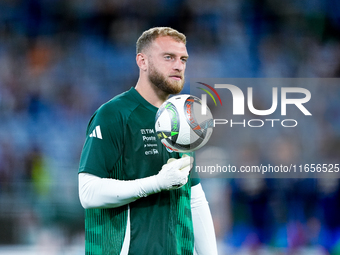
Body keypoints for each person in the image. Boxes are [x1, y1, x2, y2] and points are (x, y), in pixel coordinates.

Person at [78, 27, 218, 255]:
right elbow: (88, 193)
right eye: (168, 57)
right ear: (142, 61)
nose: (178, 65)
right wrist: (156, 182)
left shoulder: (183, 118)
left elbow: (194, 198)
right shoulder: (114, 114)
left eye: (183, 59)